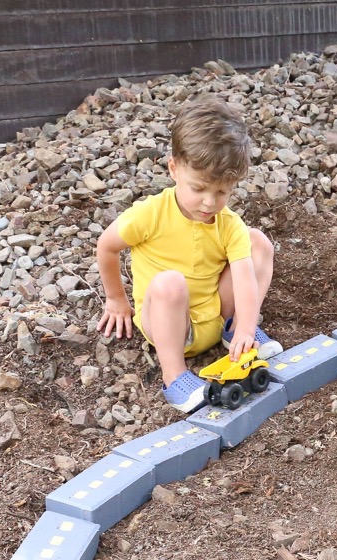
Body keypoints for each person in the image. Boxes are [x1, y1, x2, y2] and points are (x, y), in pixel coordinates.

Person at [94, 96, 281, 412]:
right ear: (174, 168)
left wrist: (247, 327)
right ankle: (174, 375)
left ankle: (234, 332)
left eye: (222, 192)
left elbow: (246, 279)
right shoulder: (150, 214)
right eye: (199, 189)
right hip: (170, 325)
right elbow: (106, 246)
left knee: (258, 243)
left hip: (214, 314)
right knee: (170, 283)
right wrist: (116, 299)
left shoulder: (227, 224)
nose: (209, 202)